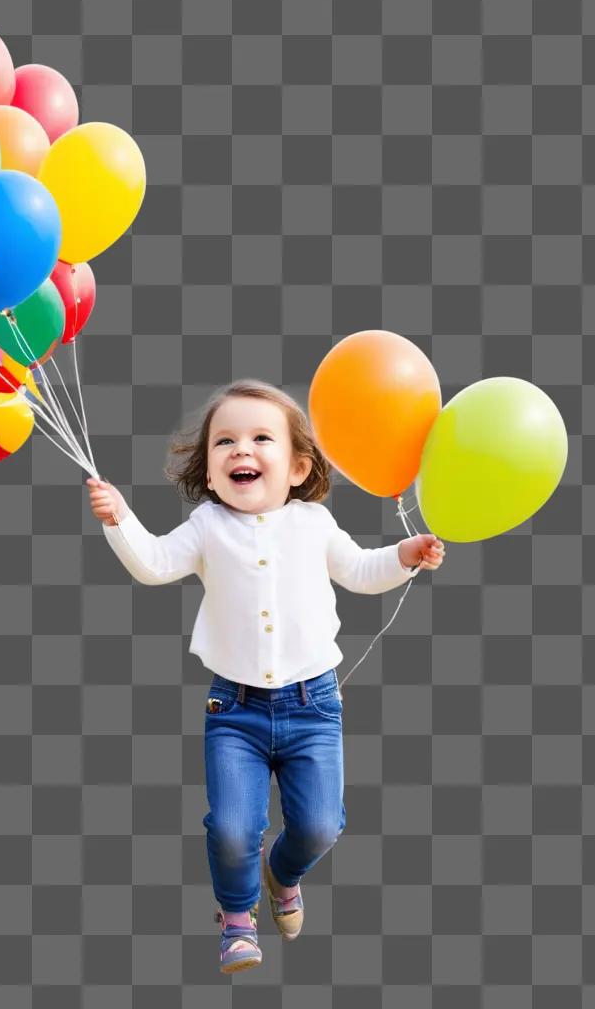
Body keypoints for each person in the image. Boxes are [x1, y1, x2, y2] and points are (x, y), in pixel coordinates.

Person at [86, 379, 444, 973]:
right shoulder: (207, 526)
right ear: (208, 465)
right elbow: (153, 565)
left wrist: (404, 556)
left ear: (300, 466)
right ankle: (235, 917)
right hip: (236, 711)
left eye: (259, 438)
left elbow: (359, 570)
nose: (240, 450)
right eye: (224, 441)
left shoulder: (314, 523)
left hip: (314, 706)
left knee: (321, 826)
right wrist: (119, 517)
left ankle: (283, 875)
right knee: (232, 829)